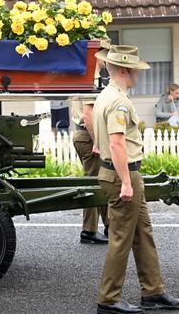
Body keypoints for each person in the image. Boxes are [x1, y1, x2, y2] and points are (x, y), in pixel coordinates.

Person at [93, 45, 179, 314]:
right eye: (135, 70)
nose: (138, 75)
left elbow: (100, 137)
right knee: (121, 238)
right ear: (124, 70)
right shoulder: (119, 101)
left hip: (122, 171)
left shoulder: (106, 94)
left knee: (143, 234)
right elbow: (117, 143)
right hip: (124, 173)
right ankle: (108, 299)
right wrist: (125, 182)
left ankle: (153, 291)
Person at [71, 61, 108, 245]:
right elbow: (88, 113)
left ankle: (106, 226)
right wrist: (97, 141)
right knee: (94, 184)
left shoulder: (82, 74)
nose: (107, 57)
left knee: (96, 182)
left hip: (82, 135)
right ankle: (89, 231)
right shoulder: (90, 78)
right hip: (87, 136)